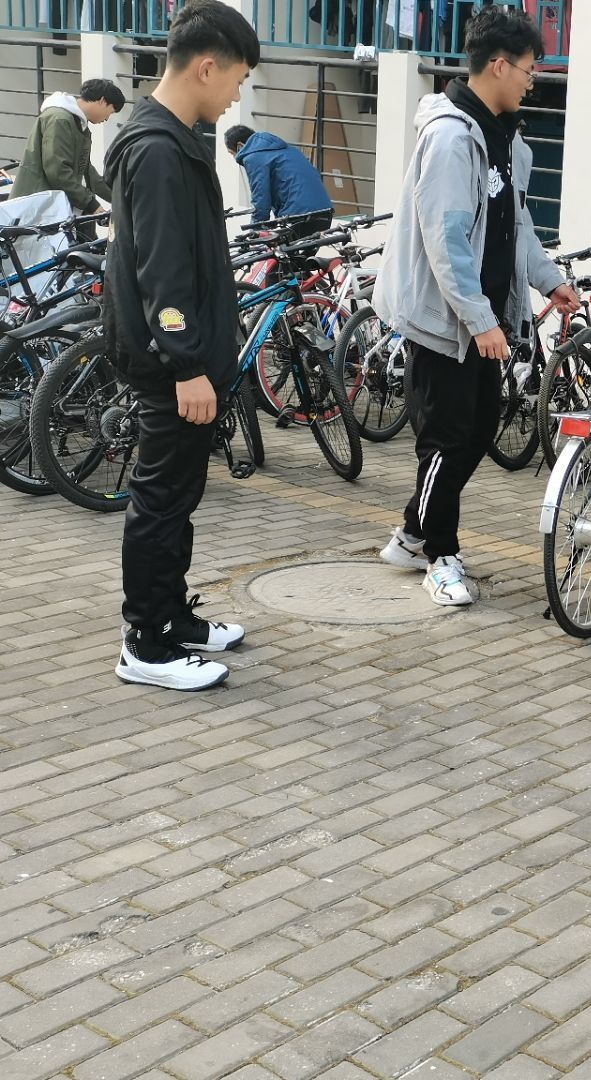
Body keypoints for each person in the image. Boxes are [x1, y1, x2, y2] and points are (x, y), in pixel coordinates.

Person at [373, 5, 580, 606]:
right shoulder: (450, 137)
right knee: (446, 439)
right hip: (445, 321)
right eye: (529, 69)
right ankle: (440, 556)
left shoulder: (507, 140)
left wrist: (548, 280)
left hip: (482, 320)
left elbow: (517, 225)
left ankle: (412, 535)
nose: (533, 81)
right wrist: (481, 319)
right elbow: (446, 241)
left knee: (479, 429)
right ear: (498, 65)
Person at [105, 0, 260, 690]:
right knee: (161, 499)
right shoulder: (159, 150)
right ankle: (145, 643)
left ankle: (171, 618)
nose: (235, 98)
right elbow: (161, 273)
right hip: (174, 367)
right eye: (237, 81)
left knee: (178, 497)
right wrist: (187, 364)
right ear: (206, 67)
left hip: (184, 362)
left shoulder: (171, 139)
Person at [10, 79, 126, 226]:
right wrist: (92, 205)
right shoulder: (60, 119)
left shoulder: (77, 123)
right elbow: (57, 170)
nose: (107, 118)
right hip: (40, 210)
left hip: (53, 207)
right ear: (102, 101)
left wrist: (118, 198)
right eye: (110, 112)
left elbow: (87, 171)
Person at [223, 124, 334, 233]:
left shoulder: (253, 157)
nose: (234, 158)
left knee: (268, 243)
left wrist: (255, 229)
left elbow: (260, 198)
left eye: (232, 153)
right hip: (325, 212)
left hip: (299, 216)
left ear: (240, 146)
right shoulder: (286, 148)